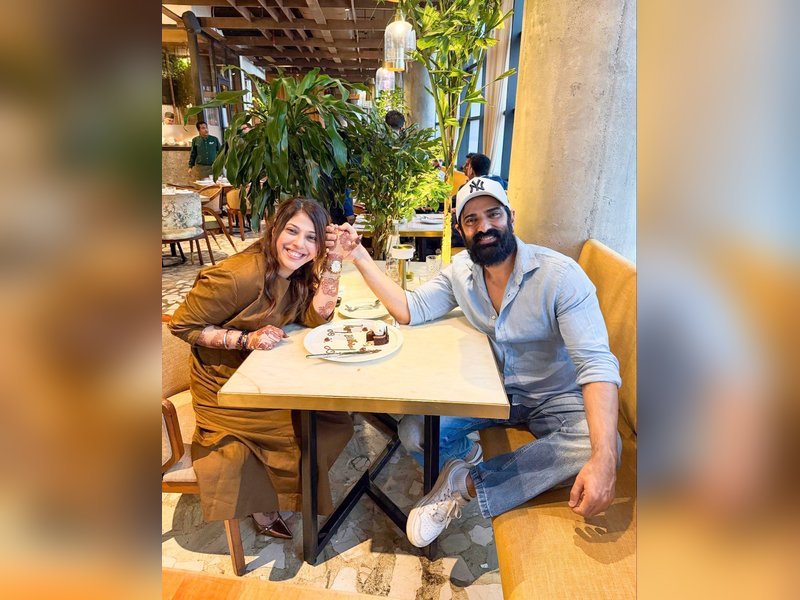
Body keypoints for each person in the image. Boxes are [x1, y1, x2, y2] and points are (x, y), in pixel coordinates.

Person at [336, 177, 621, 548]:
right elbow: (411, 308)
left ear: (511, 216)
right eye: (471, 220)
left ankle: (465, 484)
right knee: (414, 434)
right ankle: (465, 457)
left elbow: (596, 364)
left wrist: (604, 458)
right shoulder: (461, 273)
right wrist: (359, 256)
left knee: (601, 446)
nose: (484, 226)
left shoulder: (561, 277)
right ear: (461, 230)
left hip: (554, 397)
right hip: (492, 394)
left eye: (493, 214)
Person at [168, 197, 359, 539]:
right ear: (275, 230)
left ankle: (286, 491)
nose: (299, 244)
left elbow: (315, 316)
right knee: (296, 433)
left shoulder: (296, 272)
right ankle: (263, 503)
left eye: (312, 238)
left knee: (332, 420)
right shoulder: (237, 276)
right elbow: (182, 325)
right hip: (225, 385)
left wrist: (335, 260)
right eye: (292, 231)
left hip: (264, 372)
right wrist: (245, 340)